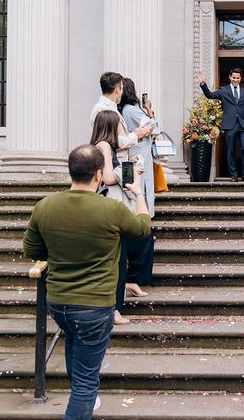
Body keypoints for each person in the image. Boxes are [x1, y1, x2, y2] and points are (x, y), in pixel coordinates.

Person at [23, 144, 150, 419]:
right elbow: (142, 229)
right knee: (85, 384)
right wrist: (138, 193)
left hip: (58, 302)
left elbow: (32, 251)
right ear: (98, 174)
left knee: (72, 342)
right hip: (94, 304)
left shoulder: (44, 206)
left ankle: (85, 401)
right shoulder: (111, 209)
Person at [91, 111, 149, 325]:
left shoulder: (107, 147)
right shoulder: (104, 146)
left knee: (123, 253)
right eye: (119, 127)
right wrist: (131, 169)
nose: (122, 131)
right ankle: (113, 309)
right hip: (111, 204)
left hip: (114, 203)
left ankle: (121, 295)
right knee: (118, 256)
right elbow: (106, 178)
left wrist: (129, 165)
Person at [118, 78, 157, 293]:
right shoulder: (132, 111)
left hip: (134, 156)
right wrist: (150, 112)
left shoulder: (123, 111)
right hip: (139, 157)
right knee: (142, 193)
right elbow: (153, 128)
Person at [197, 68, 244, 182]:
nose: (236, 80)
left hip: (243, 125)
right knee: (230, 151)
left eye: (238, 78)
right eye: (234, 77)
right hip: (229, 125)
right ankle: (234, 175)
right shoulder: (224, 90)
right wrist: (203, 83)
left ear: (240, 78)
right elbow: (210, 95)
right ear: (230, 77)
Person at [90, 71, 153, 155]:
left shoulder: (111, 107)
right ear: (117, 89)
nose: (122, 92)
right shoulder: (102, 109)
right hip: (112, 164)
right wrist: (136, 135)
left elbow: (117, 136)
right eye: (122, 88)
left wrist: (136, 134)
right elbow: (112, 141)